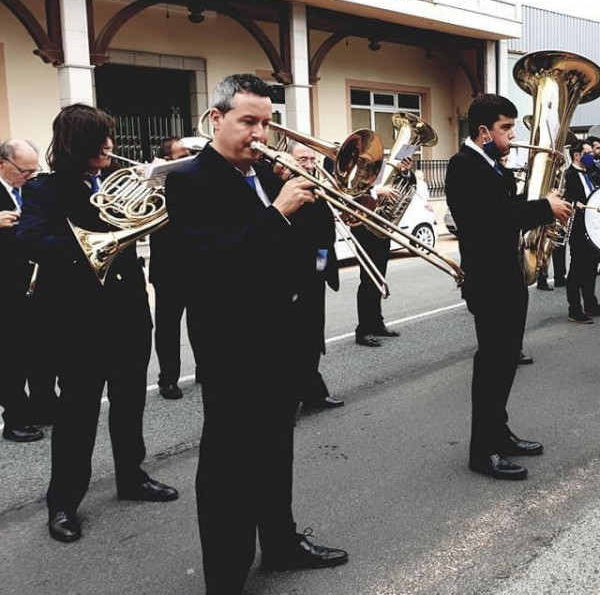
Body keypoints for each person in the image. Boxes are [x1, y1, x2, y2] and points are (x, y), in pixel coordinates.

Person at [165, 75, 348, 592]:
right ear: (215, 119)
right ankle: (225, 574)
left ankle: (282, 542)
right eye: (249, 122)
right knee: (228, 465)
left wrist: (324, 199)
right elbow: (208, 266)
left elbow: (305, 248)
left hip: (281, 339)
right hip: (232, 346)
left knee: (274, 448)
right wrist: (277, 212)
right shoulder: (189, 182)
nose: (260, 135)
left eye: (267, 123)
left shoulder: (268, 174)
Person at [17, 105, 178, 544]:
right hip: (77, 320)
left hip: (128, 312)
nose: (110, 145)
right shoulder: (44, 190)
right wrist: (87, 249)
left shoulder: (113, 182)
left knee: (130, 403)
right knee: (77, 412)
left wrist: (161, 186)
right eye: (101, 139)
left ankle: (132, 476)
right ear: (75, 144)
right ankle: (64, 502)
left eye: (110, 137)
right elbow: (29, 237)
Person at [445, 93, 572, 480]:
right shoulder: (463, 166)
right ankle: (482, 453)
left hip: (507, 277)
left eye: (513, 126)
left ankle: (499, 435)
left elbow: (504, 209)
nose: (514, 135)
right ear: (483, 131)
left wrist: (542, 203)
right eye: (506, 127)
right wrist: (542, 208)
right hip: (489, 283)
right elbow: (490, 221)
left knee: (504, 367)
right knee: (492, 368)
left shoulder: (491, 165)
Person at [274, 141, 343, 413]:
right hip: (293, 277)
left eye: (312, 160)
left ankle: (311, 393)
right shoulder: (283, 190)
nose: (309, 165)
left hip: (316, 273)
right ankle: (296, 397)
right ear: (288, 161)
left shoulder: (317, 187)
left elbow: (325, 227)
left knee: (313, 338)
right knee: (295, 341)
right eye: (302, 159)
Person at [0, 139, 47, 442]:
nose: (30, 175)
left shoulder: (32, 189)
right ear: (2, 164)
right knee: (10, 356)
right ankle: (14, 417)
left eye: (34, 170)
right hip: (4, 288)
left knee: (40, 351)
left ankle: (43, 406)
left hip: (36, 283)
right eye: (24, 171)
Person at [353, 157, 415, 347]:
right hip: (363, 225)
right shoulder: (355, 167)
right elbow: (348, 192)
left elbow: (411, 185)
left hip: (383, 225)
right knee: (368, 278)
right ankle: (363, 330)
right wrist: (377, 190)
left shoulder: (389, 167)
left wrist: (405, 172)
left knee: (379, 278)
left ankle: (377, 323)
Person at [148, 137, 192, 400]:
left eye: (189, 154)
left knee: (203, 322)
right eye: (181, 155)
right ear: (166, 160)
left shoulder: (196, 179)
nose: (187, 158)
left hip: (197, 262)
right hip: (168, 267)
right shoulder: (154, 187)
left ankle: (205, 368)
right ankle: (168, 380)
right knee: (167, 326)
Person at [563, 140, 600, 323]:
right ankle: (574, 308)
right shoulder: (569, 174)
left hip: (593, 227)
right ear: (577, 155)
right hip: (578, 227)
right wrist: (573, 204)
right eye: (586, 153)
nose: (591, 156)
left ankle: (591, 303)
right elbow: (562, 197)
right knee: (576, 270)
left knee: (591, 268)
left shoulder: (591, 173)